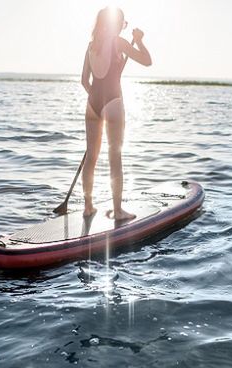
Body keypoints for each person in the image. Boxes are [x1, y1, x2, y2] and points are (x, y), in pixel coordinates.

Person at [80, 7, 152, 220]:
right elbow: (147, 61)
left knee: (91, 156)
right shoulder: (119, 42)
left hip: (92, 103)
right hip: (113, 102)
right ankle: (118, 211)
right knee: (115, 156)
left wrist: (97, 100)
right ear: (117, 23)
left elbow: (84, 81)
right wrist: (138, 40)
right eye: (122, 22)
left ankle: (88, 206)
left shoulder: (91, 46)